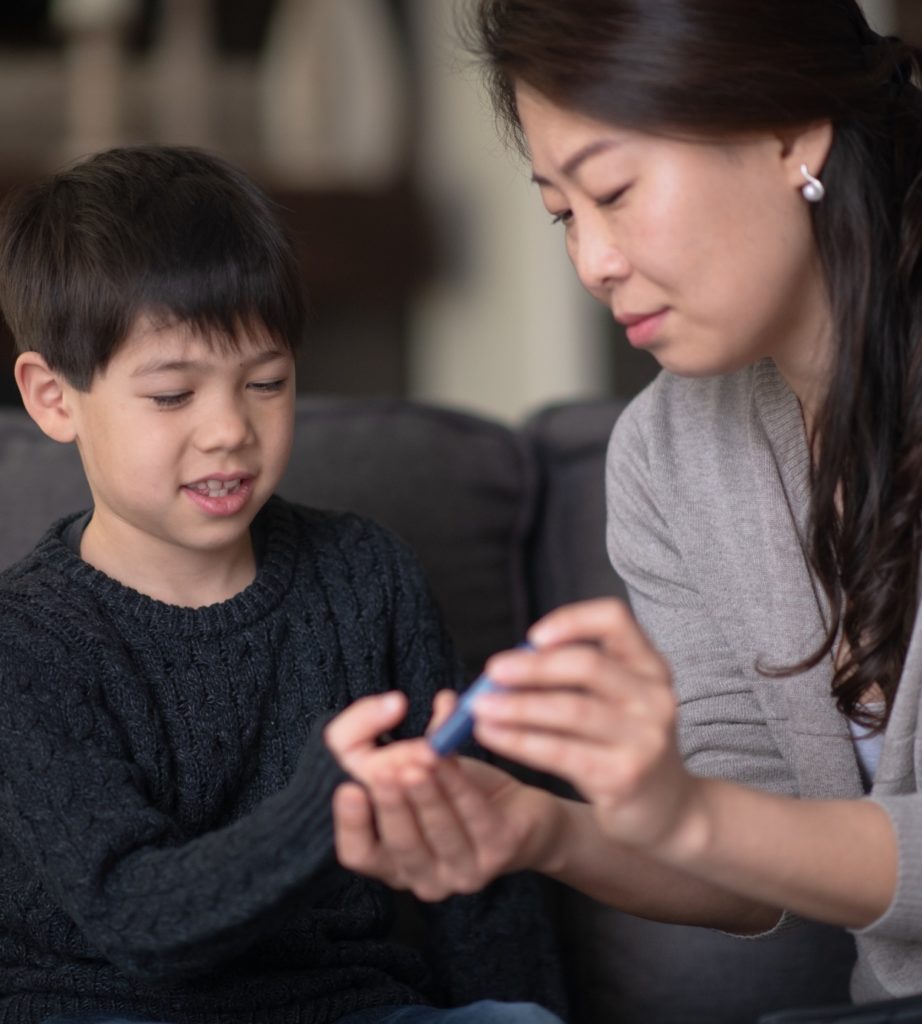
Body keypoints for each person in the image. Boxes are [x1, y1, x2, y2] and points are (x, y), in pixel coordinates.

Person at [324, 0, 922, 1010]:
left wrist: (686, 811)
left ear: (788, 131)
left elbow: (712, 818)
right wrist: (548, 828)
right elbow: (756, 839)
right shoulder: (669, 449)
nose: (593, 261)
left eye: (613, 189)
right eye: (562, 213)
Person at [0, 144, 567, 1024]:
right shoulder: (28, 641)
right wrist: (323, 804)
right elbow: (133, 913)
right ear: (53, 398)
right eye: (172, 395)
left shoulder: (365, 578)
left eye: (266, 382)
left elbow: (478, 874)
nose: (230, 429)